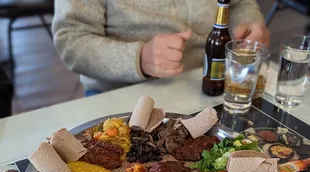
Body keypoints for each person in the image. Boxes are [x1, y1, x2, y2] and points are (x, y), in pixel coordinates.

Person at [52, 1, 269, 96]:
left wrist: (250, 22)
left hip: (210, 84)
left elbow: (241, 3)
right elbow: (71, 38)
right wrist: (139, 58)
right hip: (122, 92)